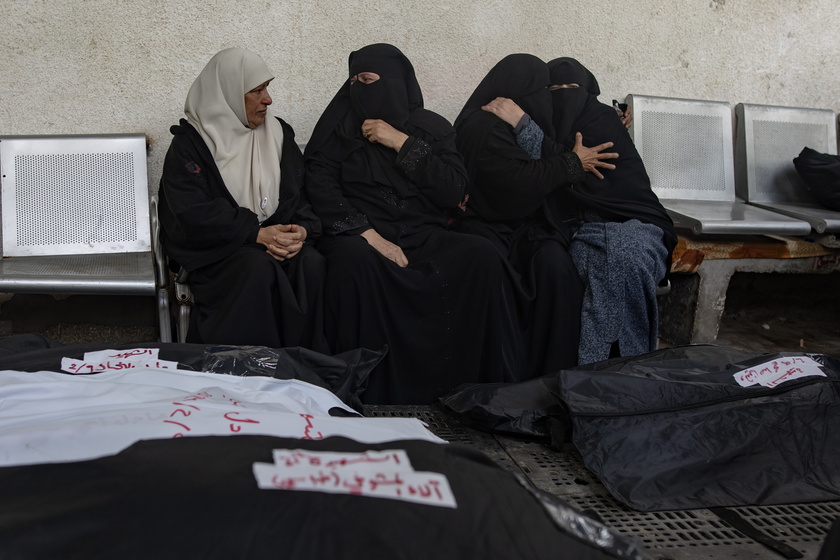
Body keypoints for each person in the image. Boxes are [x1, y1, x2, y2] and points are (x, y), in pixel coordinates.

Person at [304, 43, 523, 404]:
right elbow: (320, 186)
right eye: (354, 81)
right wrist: (368, 234)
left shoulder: (431, 129)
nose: (360, 89)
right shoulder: (339, 132)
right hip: (362, 237)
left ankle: (467, 392)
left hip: (424, 235)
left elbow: (454, 190)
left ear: (394, 82)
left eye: (369, 79)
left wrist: (402, 143)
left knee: (480, 255)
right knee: (352, 265)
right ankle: (369, 392)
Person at [453, 53, 617, 376]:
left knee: (556, 265)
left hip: (521, 230)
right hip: (484, 228)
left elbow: (556, 148)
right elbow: (518, 180)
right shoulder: (483, 126)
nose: (548, 99)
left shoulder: (520, 123)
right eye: (541, 90)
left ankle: (556, 378)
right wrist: (572, 164)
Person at [158, 48, 328, 352]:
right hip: (220, 253)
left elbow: (299, 194)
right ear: (228, 93)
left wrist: (301, 230)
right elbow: (190, 214)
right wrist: (254, 233)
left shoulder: (278, 134)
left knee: (310, 263)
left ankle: (303, 368)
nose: (268, 99)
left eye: (267, 88)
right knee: (257, 267)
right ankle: (247, 371)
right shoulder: (191, 145)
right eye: (257, 90)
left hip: (272, 243)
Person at [546, 57, 677, 364]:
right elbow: (547, 170)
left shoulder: (602, 121)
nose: (564, 94)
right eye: (555, 88)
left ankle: (611, 368)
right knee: (596, 261)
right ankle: (617, 367)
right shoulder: (544, 126)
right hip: (580, 229)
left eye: (572, 87)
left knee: (625, 257)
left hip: (636, 222)